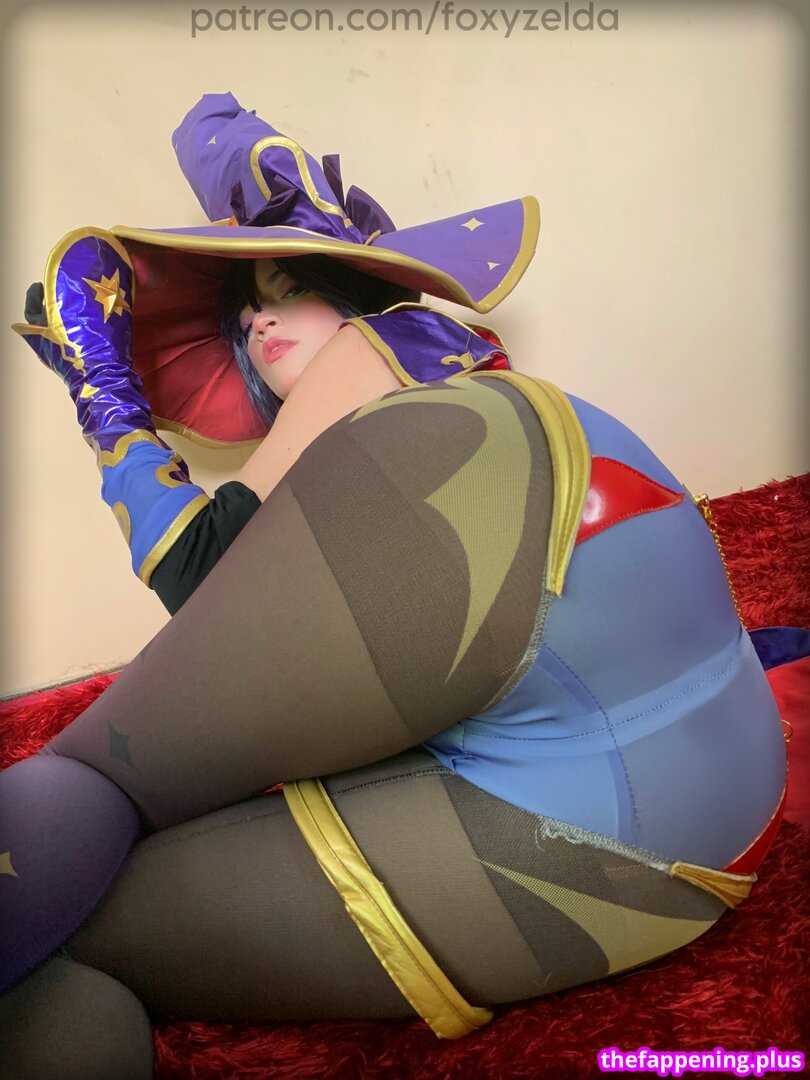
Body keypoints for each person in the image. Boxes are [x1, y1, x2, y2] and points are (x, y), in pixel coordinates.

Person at [0, 93, 789, 1078]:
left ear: (356, 291)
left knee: (94, 780)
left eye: (287, 287)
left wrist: (104, 393)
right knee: (86, 936)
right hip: (701, 839)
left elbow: (201, 574)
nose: (258, 321)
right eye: (245, 321)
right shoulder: (408, 441)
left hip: (598, 816)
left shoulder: (392, 348)